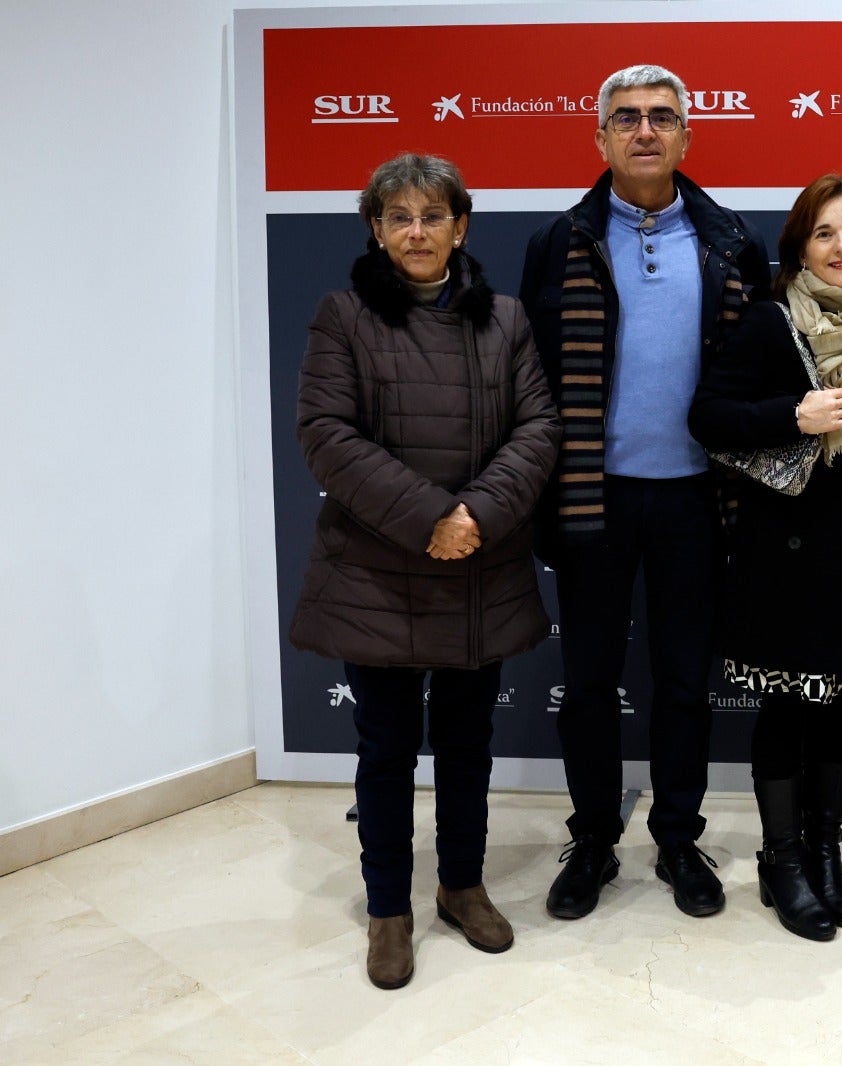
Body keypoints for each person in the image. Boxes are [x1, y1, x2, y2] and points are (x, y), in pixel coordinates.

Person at [289, 152, 561, 989]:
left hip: (479, 564)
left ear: (461, 226)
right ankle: (388, 909)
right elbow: (325, 433)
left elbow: (539, 428)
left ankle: (461, 886)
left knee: (467, 745)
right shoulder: (343, 317)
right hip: (379, 576)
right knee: (385, 751)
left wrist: (473, 515)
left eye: (432, 216)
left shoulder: (506, 319)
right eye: (398, 217)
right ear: (375, 229)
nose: (416, 231)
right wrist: (432, 518)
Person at [518, 64, 771, 922]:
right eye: (625, 118)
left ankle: (675, 838)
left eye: (663, 117)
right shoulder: (560, 241)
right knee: (588, 681)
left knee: (683, 686)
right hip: (592, 498)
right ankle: (592, 839)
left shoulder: (731, 239)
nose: (645, 131)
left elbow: (757, 377)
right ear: (600, 139)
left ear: (688, 137)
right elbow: (533, 382)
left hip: (698, 501)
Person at [688, 175, 842, 941]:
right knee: (783, 708)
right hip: (781, 560)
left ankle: (826, 854)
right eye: (825, 233)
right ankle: (782, 860)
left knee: (836, 709)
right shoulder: (768, 325)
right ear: (800, 249)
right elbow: (707, 418)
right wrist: (794, 414)